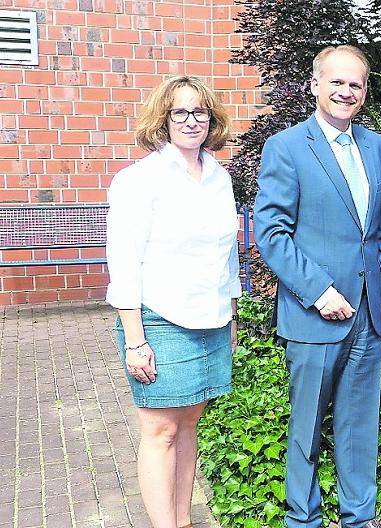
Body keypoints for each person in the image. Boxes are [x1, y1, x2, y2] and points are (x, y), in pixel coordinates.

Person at [253, 45, 381, 528]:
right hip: (314, 314)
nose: (346, 91)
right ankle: (304, 520)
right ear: (314, 85)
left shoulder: (376, 148)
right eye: (336, 82)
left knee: (359, 427)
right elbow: (271, 232)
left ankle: (360, 517)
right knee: (307, 428)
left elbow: (378, 234)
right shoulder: (287, 146)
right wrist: (318, 290)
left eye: (356, 84)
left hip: (368, 316)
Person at [105, 75, 239, 528]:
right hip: (158, 320)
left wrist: (232, 320)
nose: (190, 120)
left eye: (199, 111)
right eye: (179, 112)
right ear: (163, 119)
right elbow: (123, 263)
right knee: (160, 430)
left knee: (187, 427)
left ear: (211, 118)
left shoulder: (219, 178)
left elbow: (228, 254)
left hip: (212, 321)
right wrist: (135, 340)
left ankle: (181, 521)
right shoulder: (138, 180)